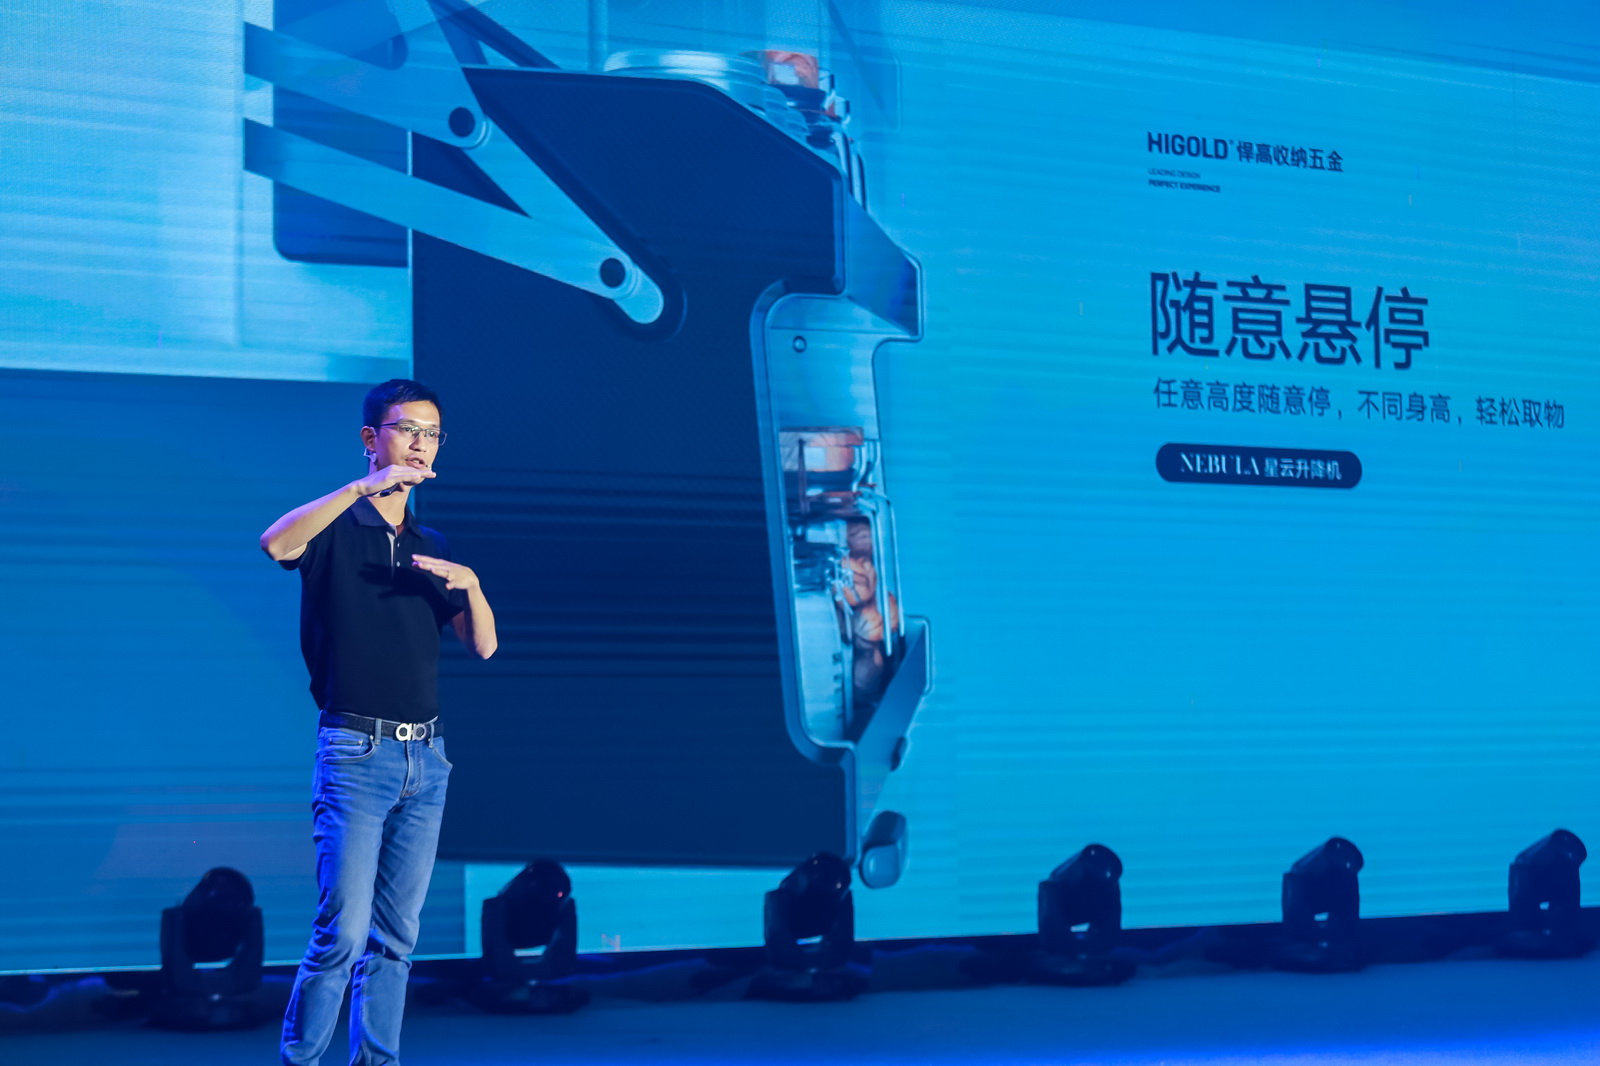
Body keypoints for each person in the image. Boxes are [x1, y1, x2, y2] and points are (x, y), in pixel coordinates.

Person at [261, 378, 497, 1065]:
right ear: (372, 439)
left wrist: (472, 586)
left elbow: (482, 646)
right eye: (407, 430)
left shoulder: (431, 542)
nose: (421, 444)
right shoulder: (335, 527)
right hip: (356, 753)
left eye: (432, 434)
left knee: (396, 939)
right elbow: (275, 545)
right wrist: (362, 489)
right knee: (342, 932)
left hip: (427, 760)